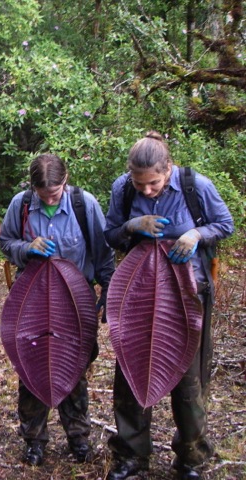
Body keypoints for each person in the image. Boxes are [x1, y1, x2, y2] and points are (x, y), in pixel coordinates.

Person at [104, 131, 234, 480]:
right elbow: (111, 234)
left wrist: (195, 235)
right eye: (140, 183)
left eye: (154, 183)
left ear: (169, 169)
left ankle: (191, 457)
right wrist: (133, 225)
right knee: (132, 374)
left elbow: (225, 224)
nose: (147, 190)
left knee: (188, 382)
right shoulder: (124, 188)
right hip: (138, 292)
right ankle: (131, 455)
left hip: (186, 293)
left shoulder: (195, 185)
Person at [0, 153, 115, 467]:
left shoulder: (83, 204)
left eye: (56, 191)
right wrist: (27, 248)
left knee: (74, 370)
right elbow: (5, 242)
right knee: (31, 367)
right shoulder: (21, 205)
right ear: (34, 188)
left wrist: (107, 293)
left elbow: (103, 252)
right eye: (44, 193)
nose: (51, 197)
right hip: (32, 301)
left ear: (66, 181)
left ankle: (78, 438)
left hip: (75, 302)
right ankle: (34, 441)